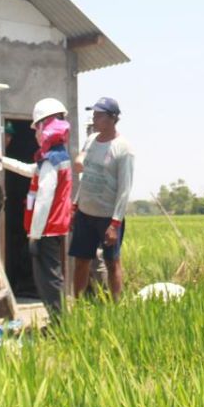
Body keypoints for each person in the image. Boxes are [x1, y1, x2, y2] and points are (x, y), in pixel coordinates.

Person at [1, 98, 72, 320]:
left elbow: (43, 200)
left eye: (37, 129)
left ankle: (58, 323)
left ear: (44, 128)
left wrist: (34, 235)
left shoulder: (51, 159)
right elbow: (31, 169)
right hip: (51, 228)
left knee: (48, 279)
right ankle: (57, 320)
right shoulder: (55, 157)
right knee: (50, 276)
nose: (35, 135)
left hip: (46, 228)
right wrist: (0, 160)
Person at [71, 97, 135, 301]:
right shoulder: (91, 141)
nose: (94, 119)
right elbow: (85, 175)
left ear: (113, 118)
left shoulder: (123, 148)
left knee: (112, 261)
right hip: (85, 213)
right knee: (81, 261)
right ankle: (78, 305)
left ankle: (117, 306)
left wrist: (115, 223)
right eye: (94, 115)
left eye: (99, 115)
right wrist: (75, 205)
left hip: (107, 217)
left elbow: (124, 189)